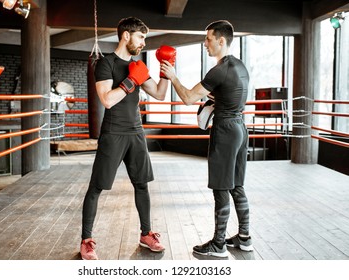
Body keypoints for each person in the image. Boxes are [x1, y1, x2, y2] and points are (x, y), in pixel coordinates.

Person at [80, 16, 176, 260]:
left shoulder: (139, 65)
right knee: (97, 186)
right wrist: (131, 81)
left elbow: (160, 95)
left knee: (141, 183)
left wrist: (167, 73)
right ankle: (86, 240)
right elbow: (107, 100)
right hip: (113, 133)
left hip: (136, 132)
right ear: (126, 35)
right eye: (141, 37)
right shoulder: (105, 64)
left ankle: (146, 234)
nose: (144, 42)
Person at [160, 20, 253, 258]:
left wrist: (173, 77)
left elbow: (189, 98)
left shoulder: (219, 69)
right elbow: (226, 93)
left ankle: (219, 244)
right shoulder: (240, 66)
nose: (205, 43)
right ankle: (244, 238)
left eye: (208, 39)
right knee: (237, 185)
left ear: (221, 41)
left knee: (221, 187)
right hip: (241, 128)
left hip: (225, 130)